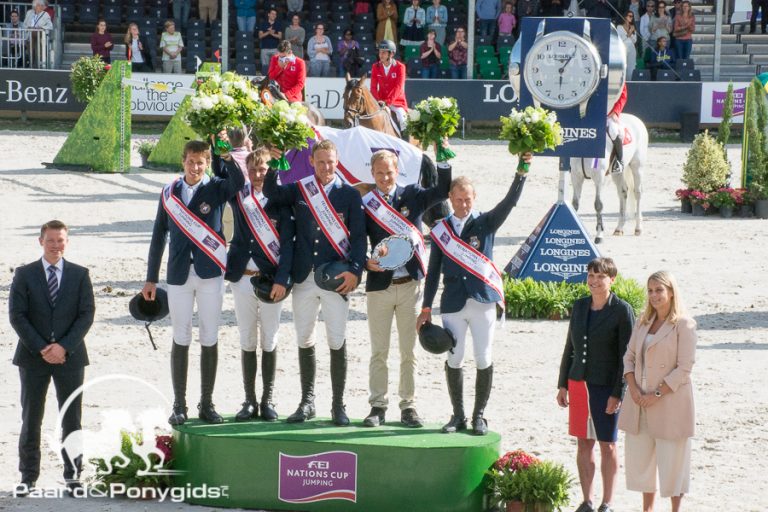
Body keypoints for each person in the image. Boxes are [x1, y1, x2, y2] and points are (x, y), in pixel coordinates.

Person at [417, 154, 532, 436]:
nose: (464, 204)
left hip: (482, 301)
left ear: (474, 198)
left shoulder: (486, 223)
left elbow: (509, 203)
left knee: (483, 357)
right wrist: (427, 307)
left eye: (468, 199)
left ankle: (479, 415)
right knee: (454, 359)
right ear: (451, 199)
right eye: (458, 200)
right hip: (454, 303)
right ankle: (458, 415)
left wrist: (522, 171)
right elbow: (433, 272)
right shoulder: (441, 230)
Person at [263, 140, 366, 427]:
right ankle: (307, 401)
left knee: (336, 339)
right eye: (320, 162)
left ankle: (337, 405)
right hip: (304, 277)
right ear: (311, 162)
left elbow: (358, 238)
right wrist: (274, 162)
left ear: (337, 160)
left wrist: (356, 272)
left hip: (336, 278)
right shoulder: (300, 188)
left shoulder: (349, 194)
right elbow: (271, 192)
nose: (326, 167)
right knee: (304, 338)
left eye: (330, 161)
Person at [142, 140, 245, 426]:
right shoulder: (169, 193)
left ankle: (207, 403)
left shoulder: (216, 187)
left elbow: (238, 180)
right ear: (183, 161)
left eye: (201, 162)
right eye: (191, 161)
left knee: (209, 335)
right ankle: (179, 403)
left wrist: (225, 152)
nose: (196, 167)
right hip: (178, 275)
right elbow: (157, 236)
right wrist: (151, 278)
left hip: (209, 272)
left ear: (207, 163)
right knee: (181, 335)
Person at [362, 148, 452, 429]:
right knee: (379, 350)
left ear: (397, 171)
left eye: (389, 172)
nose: (385, 177)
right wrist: (366, 262)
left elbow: (443, 190)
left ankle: (408, 405)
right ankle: (377, 405)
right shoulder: (367, 204)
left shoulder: (413, 194)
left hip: (410, 284)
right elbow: (355, 241)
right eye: (380, 173)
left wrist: (443, 154)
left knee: (408, 350)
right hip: (380, 286)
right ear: (373, 174)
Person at [9, 220, 95, 498]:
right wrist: (43, 347)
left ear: (66, 242)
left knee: (72, 418)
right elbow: (17, 316)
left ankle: (73, 476)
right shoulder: (24, 274)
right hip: (33, 357)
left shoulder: (80, 274)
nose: (56, 246)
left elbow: (86, 314)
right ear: (40, 241)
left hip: (71, 357)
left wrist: (64, 347)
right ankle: (28, 476)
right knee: (31, 418)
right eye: (51, 241)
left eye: (60, 240)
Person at [214, 143, 295, 422]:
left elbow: (288, 245)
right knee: (247, 337)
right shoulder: (239, 196)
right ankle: (249, 400)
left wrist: (283, 279)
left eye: (263, 169)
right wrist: (223, 150)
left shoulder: (280, 200)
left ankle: (267, 399)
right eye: (253, 170)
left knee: (269, 338)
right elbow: (229, 175)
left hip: (271, 280)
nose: (258, 174)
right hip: (242, 278)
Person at [556, 257, 635, 512]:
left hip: (606, 386)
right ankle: (587, 500)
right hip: (578, 383)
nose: (594, 281)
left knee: (607, 443)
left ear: (612, 279)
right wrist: (562, 384)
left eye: (600, 276)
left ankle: (607, 502)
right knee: (583, 443)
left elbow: (627, 357)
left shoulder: (622, 310)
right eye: (591, 275)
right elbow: (570, 347)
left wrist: (618, 392)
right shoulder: (579, 306)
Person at [619, 271, 697, 512]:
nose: (654, 295)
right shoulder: (643, 321)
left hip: (670, 401)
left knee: (673, 462)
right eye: (650, 290)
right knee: (642, 460)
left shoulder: (684, 325)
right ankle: (647, 509)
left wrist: (657, 394)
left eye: (659, 290)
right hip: (639, 400)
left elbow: (684, 367)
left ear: (671, 292)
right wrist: (632, 389)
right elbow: (629, 357)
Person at [370, 39, 408, 133]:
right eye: (380, 52)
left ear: (391, 54)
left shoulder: (400, 67)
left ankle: (405, 141)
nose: (380, 55)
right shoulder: (375, 66)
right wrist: (378, 101)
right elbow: (373, 87)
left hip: (396, 102)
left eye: (383, 52)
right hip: (380, 101)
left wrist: (387, 102)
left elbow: (398, 88)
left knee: (403, 120)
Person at [23, 0, 53, 68]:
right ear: (36, 6)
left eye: (41, 5)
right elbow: (24, 24)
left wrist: (41, 28)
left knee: (35, 33)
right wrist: (29, 28)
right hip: (29, 34)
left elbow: (50, 26)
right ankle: (34, 61)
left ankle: (35, 61)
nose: (42, 7)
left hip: (41, 35)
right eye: (39, 5)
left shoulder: (45, 14)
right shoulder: (29, 13)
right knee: (32, 35)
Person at [607, 82, 627, 175]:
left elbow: (623, 96)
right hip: (594, 112)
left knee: (614, 131)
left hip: (610, 114)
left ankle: (619, 161)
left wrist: (615, 112)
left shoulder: (618, 74)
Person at [258, 8, 282, 75]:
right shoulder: (263, 23)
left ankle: (274, 81)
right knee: (265, 67)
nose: (273, 15)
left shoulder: (278, 24)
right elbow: (260, 36)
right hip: (265, 48)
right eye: (272, 13)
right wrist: (268, 32)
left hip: (275, 48)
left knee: (275, 66)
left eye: (275, 14)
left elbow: (280, 36)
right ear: (268, 14)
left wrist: (272, 34)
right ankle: (265, 81)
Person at [618, 12, 637, 80]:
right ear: (625, 17)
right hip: (623, 48)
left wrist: (632, 31)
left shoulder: (632, 27)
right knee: (623, 66)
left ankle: (630, 81)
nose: (631, 17)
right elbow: (620, 39)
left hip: (632, 48)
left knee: (631, 67)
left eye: (632, 16)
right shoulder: (619, 27)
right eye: (630, 16)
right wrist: (629, 33)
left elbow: (634, 40)